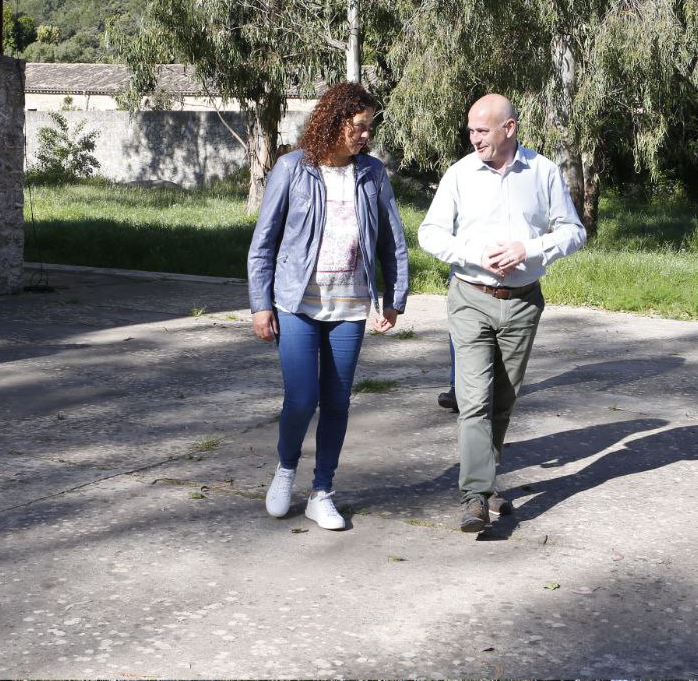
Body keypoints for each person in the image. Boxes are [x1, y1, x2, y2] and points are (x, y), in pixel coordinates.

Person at [418, 94, 586, 532]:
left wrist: (527, 249)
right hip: (470, 297)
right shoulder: (459, 174)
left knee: (503, 402)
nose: (474, 139)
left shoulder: (543, 172)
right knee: (473, 400)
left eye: (482, 131)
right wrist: (475, 255)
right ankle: (475, 495)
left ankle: (488, 484)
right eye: (470, 130)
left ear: (509, 129)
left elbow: (573, 231)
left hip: (524, 301)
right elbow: (431, 233)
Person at [247, 82, 409, 531]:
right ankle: (285, 469)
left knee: (336, 400)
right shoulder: (293, 169)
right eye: (359, 126)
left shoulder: (372, 174)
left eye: (369, 128)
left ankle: (322, 491)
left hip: (350, 303)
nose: (365, 136)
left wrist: (394, 298)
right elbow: (264, 243)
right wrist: (261, 304)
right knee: (302, 397)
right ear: (335, 121)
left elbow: (391, 241)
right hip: (297, 302)